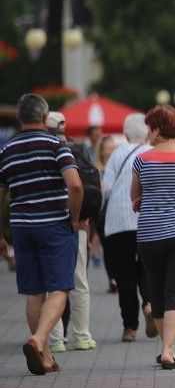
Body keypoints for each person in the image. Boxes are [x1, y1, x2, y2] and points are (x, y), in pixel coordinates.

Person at [0, 94, 83, 375]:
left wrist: (1, 235)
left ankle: (45, 355)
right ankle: (37, 340)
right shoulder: (56, 145)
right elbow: (75, 185)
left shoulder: (7, 151)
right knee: (60, 287)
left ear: (21, 118)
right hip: (54, 226)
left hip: (22, 228)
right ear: (45, 118)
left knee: (33, 292)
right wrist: (74, 218)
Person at [131, 105, 175, 369]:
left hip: (150, 233)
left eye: (149, 128)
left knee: (157, 292)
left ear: (157, 129)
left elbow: (134, 195)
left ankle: (165, 347)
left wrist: (144, 199)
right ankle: (169, 349)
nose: (148, 134)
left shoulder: (141, 159)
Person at [44, 112, 98, 354]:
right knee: (79, 282)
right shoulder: (74, 149)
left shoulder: (36, 149)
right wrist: (81, 217)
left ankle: (55, 340)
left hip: (44, 222)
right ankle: (82, 336)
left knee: (50, 284)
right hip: (75, 223)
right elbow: (84, 185)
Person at [103, 114, 154, 342]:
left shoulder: (116, 154)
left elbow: (107, 189)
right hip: (146, 219)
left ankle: (129, 328)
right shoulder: (151, 154)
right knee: (146, 268)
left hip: (118, 222)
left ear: (125, 135)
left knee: (124, 275)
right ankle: (149, 304)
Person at [89, 134, 117, 269]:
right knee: (99, 232)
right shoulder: (96, 168)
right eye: (108, 148)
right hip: (99, 207)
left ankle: (97, 253)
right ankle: (96, 253)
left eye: (113, 147)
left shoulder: (118, 166)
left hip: (114, 208)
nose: (111, 150)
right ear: (101, 150)